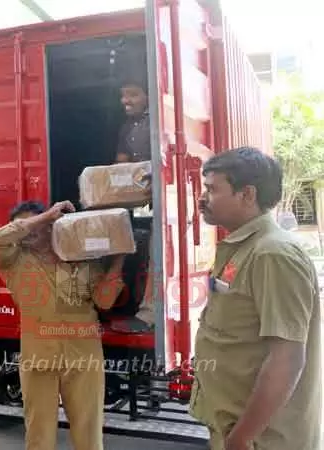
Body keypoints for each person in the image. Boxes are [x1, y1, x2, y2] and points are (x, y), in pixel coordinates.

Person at [189, 147, 322, 450]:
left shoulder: (272, 255)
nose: (202, 199)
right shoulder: (245, 248)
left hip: (262, 440)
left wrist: (241, 438)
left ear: (247, 194)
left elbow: (287, 359)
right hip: (237, 430)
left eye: (212, 189)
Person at [0, 200, 126, 450]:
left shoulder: (79, 258)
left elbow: (104, 301)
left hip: (83, 356)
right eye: (24, 225)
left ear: (52, 227)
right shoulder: (13, 261)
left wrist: (118, 259)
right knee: (39, 433)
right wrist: (43, 217)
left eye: (36, 224)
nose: (30, 231)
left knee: (89, 432)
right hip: (38, 357)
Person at [108, 77, 156, 334]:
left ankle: (148, 315)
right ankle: (114, 303)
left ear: (148, 96)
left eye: (133, 94)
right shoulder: (127, 127)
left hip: (160, 197)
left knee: (157, 251)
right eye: (123, 95)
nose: (126, 100)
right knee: (123, 243)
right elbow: (121, 164)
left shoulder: (157, 121)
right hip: (138, 198)